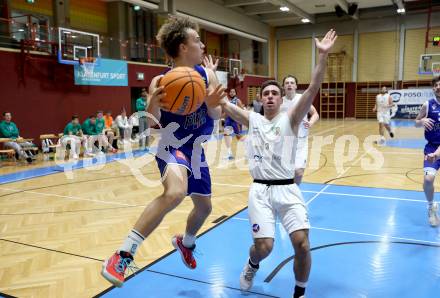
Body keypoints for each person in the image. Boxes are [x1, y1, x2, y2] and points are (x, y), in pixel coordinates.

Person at [206, 29, 337, 298]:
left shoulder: (290, 117)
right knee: (264, 247)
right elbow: (219, 101)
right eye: (265, 93)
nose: (269, 96)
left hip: (288, 189)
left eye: (274, 93)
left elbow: (313, 87)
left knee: (301, 244)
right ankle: (252, 264)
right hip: (260, 191)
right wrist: (211, 75)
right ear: (259, 98)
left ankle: (299, 292)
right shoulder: (251, 119)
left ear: (281, 98)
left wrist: (322, 55)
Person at [101, 16, 225, 287]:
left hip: (196, 150)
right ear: (183, 47)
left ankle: (186, 243)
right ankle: (122, 255)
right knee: (175, 193)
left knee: (204, 208)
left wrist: (212, 103)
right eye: (197, 40)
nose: (202, 45)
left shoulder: (208, 75)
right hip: (171, 145)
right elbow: (151, 125)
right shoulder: (160, 80)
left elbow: (215, 113)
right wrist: (152, 105)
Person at [280, 75, 319, 185]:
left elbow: (315, 114)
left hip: (301, 140)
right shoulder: (279, 102)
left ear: (296, 86)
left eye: (292, 82)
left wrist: (310, 122)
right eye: (287, 83)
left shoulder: (302, 99)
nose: (289, 84)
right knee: (285, 172)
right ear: (283, 86)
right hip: (285, 141)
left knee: (298, 171)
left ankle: (295, 192)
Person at [415, 76, 440, 227]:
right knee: (428, 180)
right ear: (433, 89)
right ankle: (431, 207)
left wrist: (437, 154)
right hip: (431, 146)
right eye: (436, 85)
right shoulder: (427, 105)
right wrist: (421, 121)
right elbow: (416, 123)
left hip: (437, 150)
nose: (438, 87)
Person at [223, 88, 245, 160]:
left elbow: (242, 110)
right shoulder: (228, 101)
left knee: (239, 137)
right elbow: (226, 111)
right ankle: (229, 153)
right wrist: (224, 117)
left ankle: (248, 150)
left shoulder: (237, 100)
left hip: (235, 120)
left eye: (233, 91)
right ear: (229, 93)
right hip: (228, 120)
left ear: (235, 93)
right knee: (227, 135)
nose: (232, 93)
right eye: (231, 92)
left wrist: (241, 119)